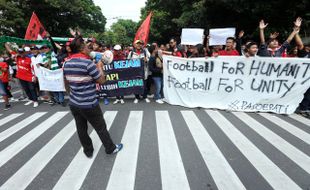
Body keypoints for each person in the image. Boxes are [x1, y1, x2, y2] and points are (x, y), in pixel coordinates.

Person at [63, 36, 123, 158]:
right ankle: (110, 148)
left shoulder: (66, 63)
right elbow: (101, 81)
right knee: (100, 127)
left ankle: (88, 150)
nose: (88, 48)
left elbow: (66, 83)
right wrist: (100, 66)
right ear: (81, 48)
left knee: (81, 128)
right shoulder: (88, 63)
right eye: (86, 46)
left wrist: (73, 96)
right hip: (89, 103)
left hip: (74, 103)